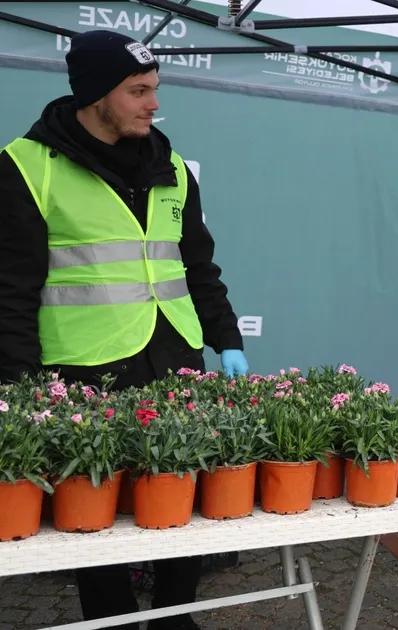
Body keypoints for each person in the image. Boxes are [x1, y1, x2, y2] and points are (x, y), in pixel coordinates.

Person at [0, 30, 249, 630]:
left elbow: (197, 268)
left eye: (155, 89)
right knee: (95, 507)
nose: (153, 103)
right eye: (138, 91)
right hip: (84, 366)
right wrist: (17, 387)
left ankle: (175, 617)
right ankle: (110, 621)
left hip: (176, 356)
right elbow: (10, 291)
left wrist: (228, 339)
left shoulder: (171, 167)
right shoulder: (27, 168)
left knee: (178, 493)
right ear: (95, 95)